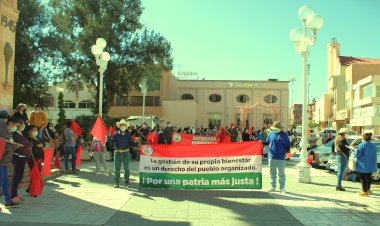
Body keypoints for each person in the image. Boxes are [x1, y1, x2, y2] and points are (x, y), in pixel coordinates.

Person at [0, 112, 21, 207]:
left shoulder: (6, 129)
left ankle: (7, 200)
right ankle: (7, 200)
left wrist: (14, 145)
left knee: (5, 182)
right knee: (2, 181)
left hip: (4, 160)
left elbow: (7, 143)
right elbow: (4, 141)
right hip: (1, 158)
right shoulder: (2, 126)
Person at [11, 120, 32, 203]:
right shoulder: (15, 134)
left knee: (19, 176)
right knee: (17, 177)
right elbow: (22, 147)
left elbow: (25, 145)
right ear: (19, 125)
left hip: (22, 157)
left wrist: (28, 145)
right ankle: (13, 195)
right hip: (18, 157)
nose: (24, 125)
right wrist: (29, 145)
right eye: (23, 124)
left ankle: (15, 194)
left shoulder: (20, 134)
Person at [266, 121, 291, 193]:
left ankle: (282, 187)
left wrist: (287, 153)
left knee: (281, 173)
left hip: (281, 158)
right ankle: (272, 186)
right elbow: (267, 143)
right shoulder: (271, 134)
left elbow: (288, 145)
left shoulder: (284, 135)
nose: (274, 129)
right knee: (272, 173)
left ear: (279, 128)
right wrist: (260, 142)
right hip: (272, 157)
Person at [111, 119, 135, 188]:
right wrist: (108, 138)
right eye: (121, 125)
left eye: (124, 125)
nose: (123, 126)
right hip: (117, 153)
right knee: (116, 169)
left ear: (126, 126)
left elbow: (131, 143)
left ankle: (127, 183)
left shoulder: (128, 135)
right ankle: (116, 183)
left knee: (127, 169)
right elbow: (112, 143)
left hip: (126, 153)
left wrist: (138, 145)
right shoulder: (115, 134)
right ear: (119, 126)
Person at [26, 125, 45, 193]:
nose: (35, 132)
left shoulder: (38, 137)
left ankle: (31, 187)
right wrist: (36, 146)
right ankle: (33, 189)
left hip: (40, 157)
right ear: (29, 131)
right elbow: (28, 147)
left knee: (38, 172)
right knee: (34, 172)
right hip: (33, 157)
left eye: (36, 130)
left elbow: (44, 143)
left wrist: (41, 145)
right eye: (34, 130)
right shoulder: (28, 139)